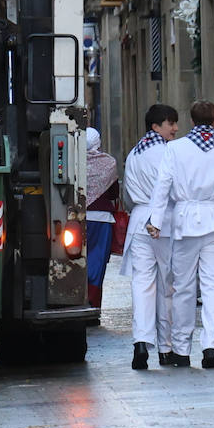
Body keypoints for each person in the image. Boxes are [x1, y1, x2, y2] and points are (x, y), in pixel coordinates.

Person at [146, 100, 214, 369]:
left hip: (185, 221)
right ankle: (211, 346)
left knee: (183, 286)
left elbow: (162, 186)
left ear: (191, 120)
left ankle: (181, 348)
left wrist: (156, 221)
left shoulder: (175, 148)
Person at [119, 104, 180, 370]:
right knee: (166, 284)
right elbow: (174, 190)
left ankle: (141, 342)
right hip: (163, 221)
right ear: (156, 126)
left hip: (139, 221)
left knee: (142, 284)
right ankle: (166, 348)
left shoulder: (134, 153)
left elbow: (127, 195)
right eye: (170, 123)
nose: (175, 128)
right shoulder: (168, 153)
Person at [84, 127, 120, 311]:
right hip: (102, 219)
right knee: (97, 262)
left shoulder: (73, 161)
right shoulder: (109, 163)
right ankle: (93, 302)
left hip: (77, 218)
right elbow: (114, 193)